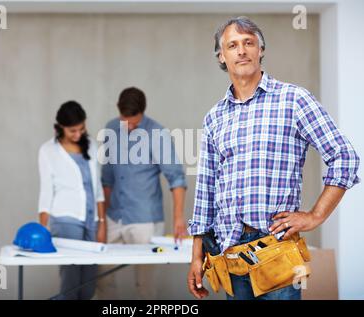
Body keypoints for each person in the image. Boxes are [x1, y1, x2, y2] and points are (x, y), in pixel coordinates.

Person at [187, 16, 360, 300]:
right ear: (222, 56)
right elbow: (205, 191)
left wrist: (316, 215)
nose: (241, 50)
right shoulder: (214, 117)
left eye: (248, 43)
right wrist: (197, 256)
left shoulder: (294, 100)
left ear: (260, 50)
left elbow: (344, 157)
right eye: (232, 45)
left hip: (276, 250)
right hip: (228, 251)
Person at [97, 87, 188, 299]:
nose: (129, 126)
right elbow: (107, 178)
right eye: (125, 120)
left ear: (143, 113)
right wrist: (101, 221)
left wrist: (178, 218)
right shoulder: (111, 129)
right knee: (101, 276)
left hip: (145, 219)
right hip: (114, 215)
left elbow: (176, 178)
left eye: (134, 123)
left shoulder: (158, 134)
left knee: (144, 285)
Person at [38, 100, 106, 300]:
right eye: (72, 131)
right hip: (65, 221)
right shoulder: (48, 151)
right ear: (60, 128)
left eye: (81, 129)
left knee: (89, 284)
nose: (78, 135)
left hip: (91, 221)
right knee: (71, 282)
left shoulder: (92, 146)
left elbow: (97, 187)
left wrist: (102, 224)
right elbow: (46, 192)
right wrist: (43, 229)